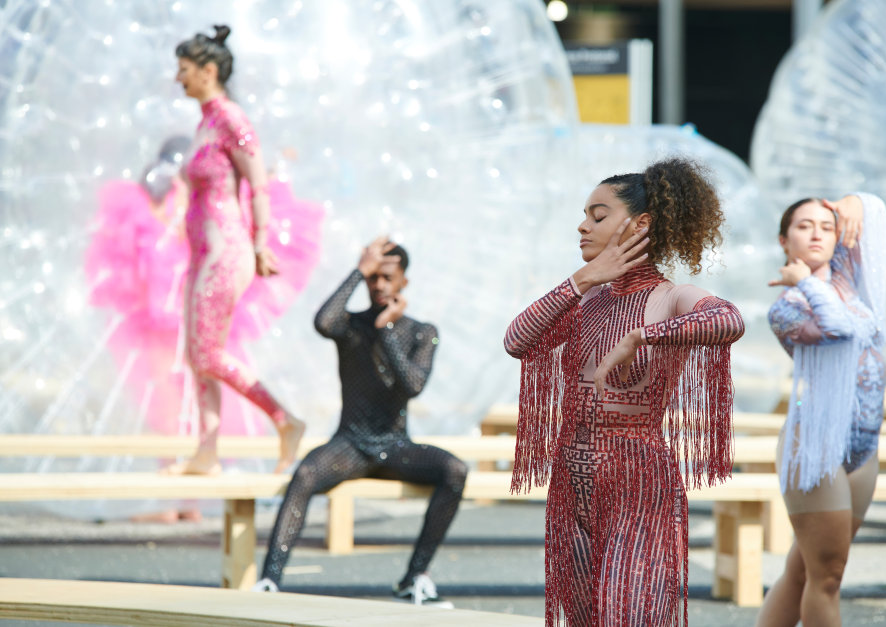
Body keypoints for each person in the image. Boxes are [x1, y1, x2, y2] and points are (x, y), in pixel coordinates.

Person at [504, 158, 745, 626]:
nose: (583, 225)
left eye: (598, 215)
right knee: (581, 618)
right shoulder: (585, 298)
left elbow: (728, 320)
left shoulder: (670, 297)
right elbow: (518, 341)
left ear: (641, 224)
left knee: (626, 615)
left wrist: (643, 337)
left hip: (636, 477)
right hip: (571, 480)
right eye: (585, 215)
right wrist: (581, 281)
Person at [253, 237, 467, 607]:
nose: (379, 285)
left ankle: (414, 576)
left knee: (456, 470)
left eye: (387, 278)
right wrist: (357, 270)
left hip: (395, 446)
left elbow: (412, 386)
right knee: (304, 475)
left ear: (404, 283)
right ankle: (270, 580)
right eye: (373, 279)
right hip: (350, 445)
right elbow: (322, 321)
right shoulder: (350, 325)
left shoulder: (422, 332)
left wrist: (386, 329)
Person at [169, 25, 306, 474]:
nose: (178, 78)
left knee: (208, 354)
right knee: (197, 355)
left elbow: (258, 184)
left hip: (225, 250)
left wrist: (261, 241)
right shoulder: (205, 121)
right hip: (201, 253)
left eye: (185, 70)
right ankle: (207, 451)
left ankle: (285, 420)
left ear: (209, 71)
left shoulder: (231, 118)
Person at [756, 193, 886, 627]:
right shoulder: (787, 309)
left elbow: (876, 218)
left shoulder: (849, 278)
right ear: (784, 240)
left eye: (826, 226)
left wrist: (852, 202)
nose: (816, 233)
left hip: (864, 446)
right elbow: (837, 328)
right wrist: (807, 281)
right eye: (803, 226)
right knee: (827, 577)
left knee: (804, 571)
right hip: (814, 445)